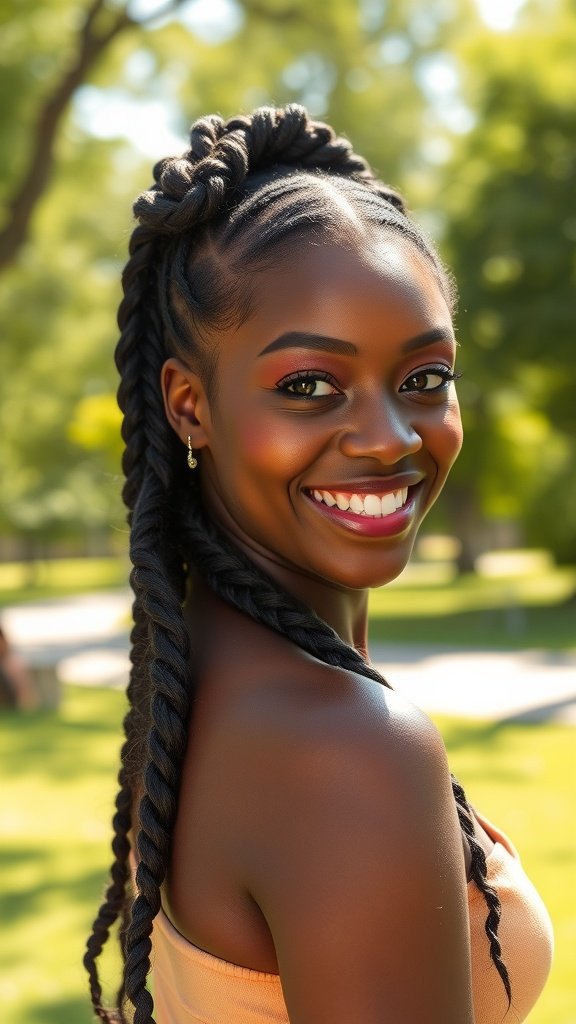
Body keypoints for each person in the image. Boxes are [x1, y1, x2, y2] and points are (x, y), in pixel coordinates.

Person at [84, 104, 553, 1023]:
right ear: (189, 404)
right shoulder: (344, 747)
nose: (388, 440)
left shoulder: (203, 671)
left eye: (425, 379)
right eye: (309, 386)